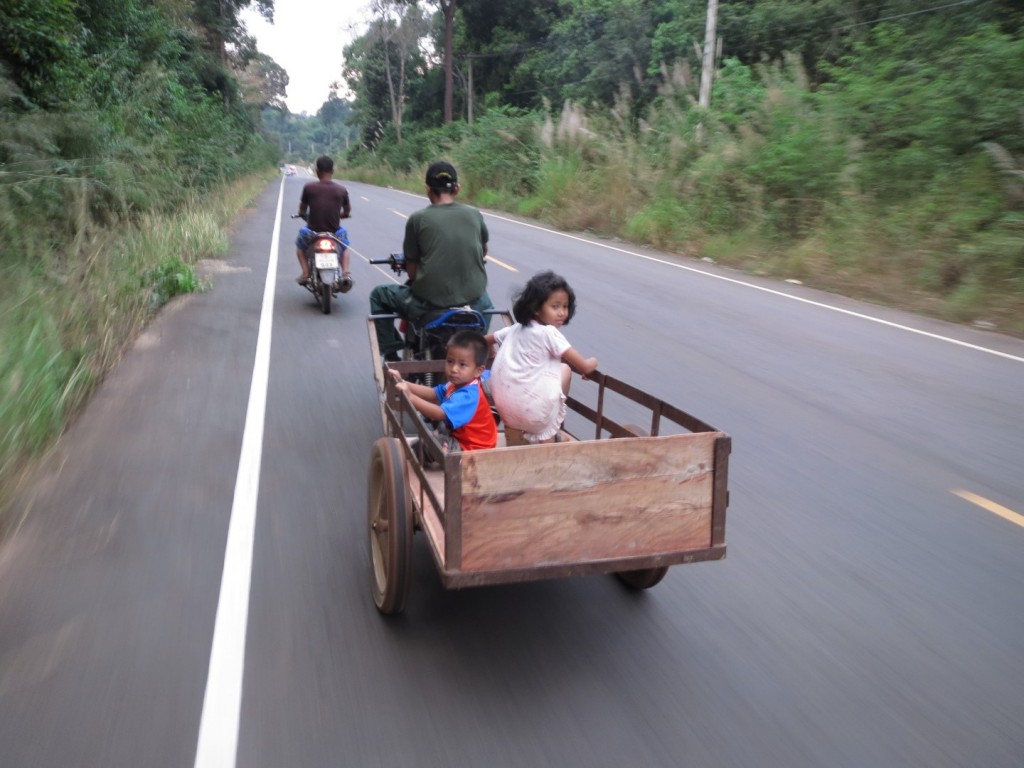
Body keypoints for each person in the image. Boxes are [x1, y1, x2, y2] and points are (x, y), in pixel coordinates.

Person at [370, 161, 493, 360]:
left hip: (428, 305)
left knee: (379, 295)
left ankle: (391, 354)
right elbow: (483, 251)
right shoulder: (474, 214)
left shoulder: (417, 219)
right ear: (457, 188)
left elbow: (411, 272)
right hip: (474, 304)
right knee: (487, 304)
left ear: (427, 189)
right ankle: (476, 350)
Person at [486, 271, 598, 444]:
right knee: (566, 369)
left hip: (504, 409)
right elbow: (584, 367)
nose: (561, 313)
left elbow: (486, 340)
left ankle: (518, 432)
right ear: (536, 308)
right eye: (555, 307)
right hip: (534, 414)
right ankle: (549, 437)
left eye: (565, 306)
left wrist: (492, 351)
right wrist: (593, 362)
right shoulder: (549, 333)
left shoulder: (515, 329)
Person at [387, 330, 497, 452]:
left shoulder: (468, 396)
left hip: (474, 447)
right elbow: (433, 393)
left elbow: (439, 413)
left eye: (462, 365)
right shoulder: (456, 384)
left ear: (478, 371)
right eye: (450, 361)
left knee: (425, 446)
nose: (454, 369)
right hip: (463, 436)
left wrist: (411, 397)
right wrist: (402, 381)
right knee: (439, 428)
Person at [296, 155, 353, 291]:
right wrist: (342, 215)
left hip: (312, 233)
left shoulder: (309, 188)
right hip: (335, 233)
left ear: (317, 171)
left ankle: (305, 273)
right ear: (333, 170)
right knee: (344, 248)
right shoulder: (341, 189)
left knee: (300, 249)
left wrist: (303, 214)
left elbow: (302, 209)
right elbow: (347, 210)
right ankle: (345, 274)